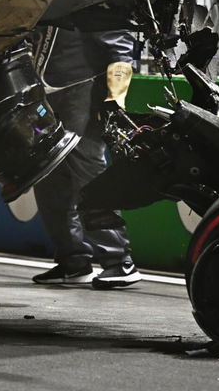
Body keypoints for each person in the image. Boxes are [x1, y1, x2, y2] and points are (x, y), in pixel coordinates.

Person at [31, 27, 141, 289]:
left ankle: (119, 261)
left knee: (89, 172)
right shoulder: (44, 1)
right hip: (44, 91)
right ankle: (73, 260)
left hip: (82, 92)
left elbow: (122, 49)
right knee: (46, 173)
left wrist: (115, 97)